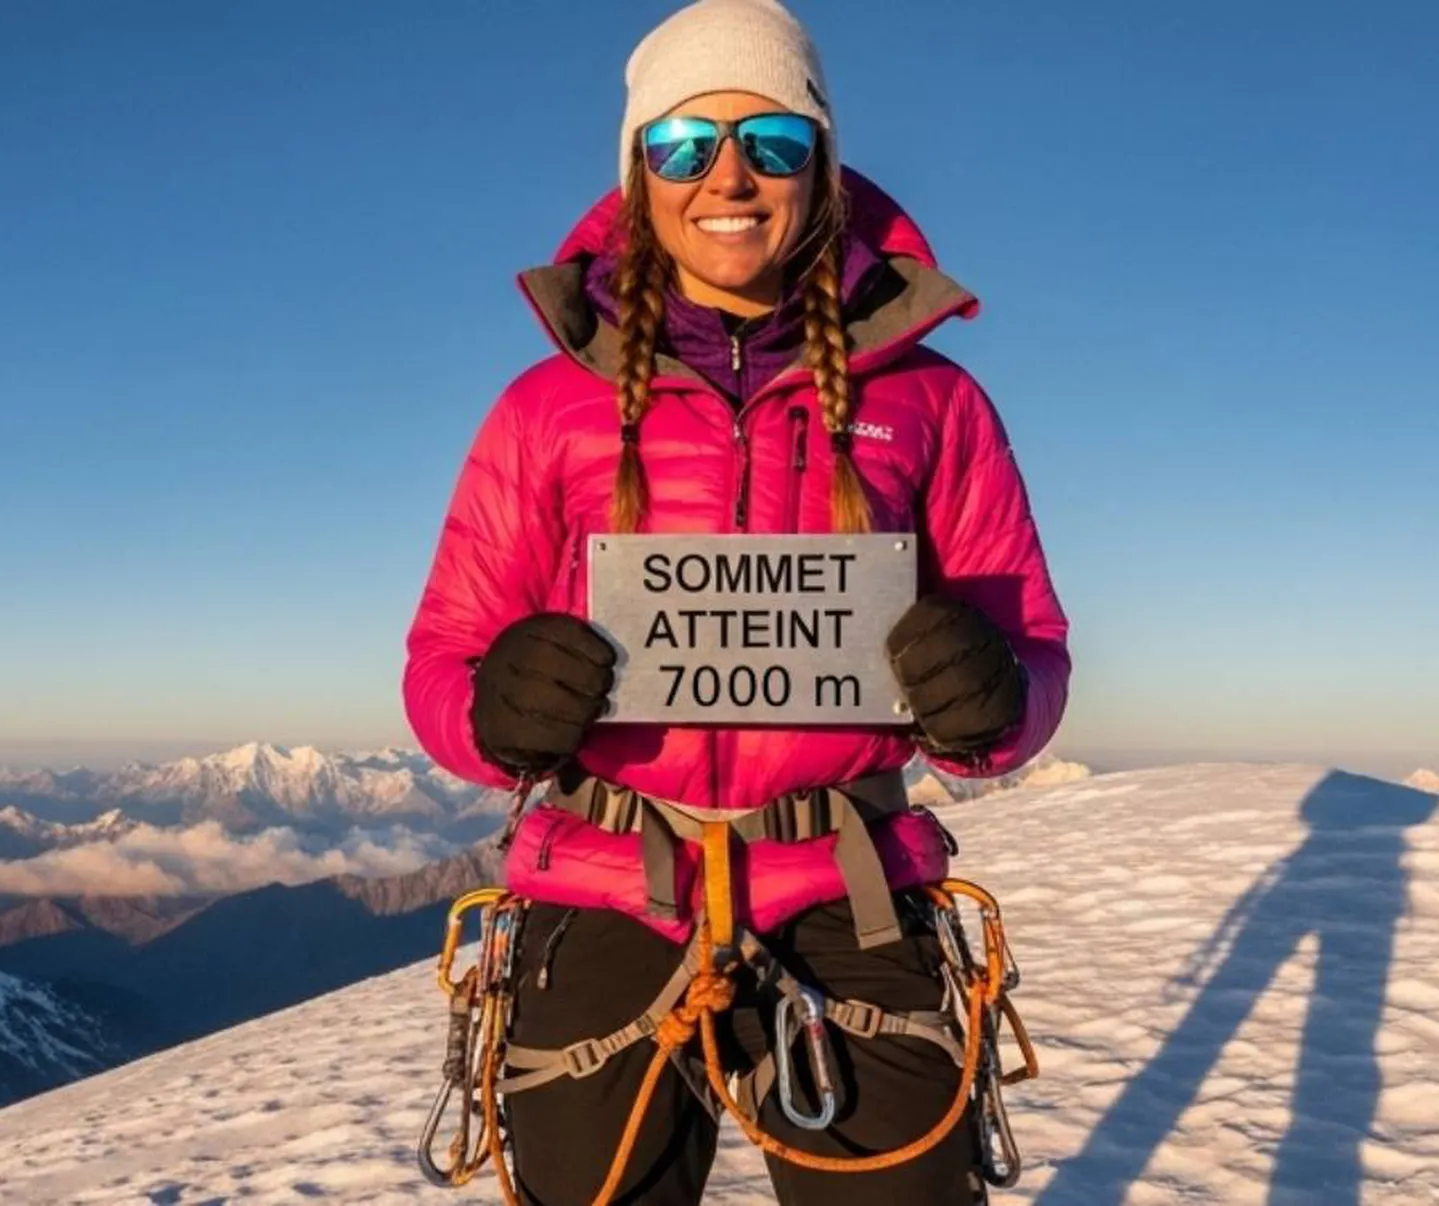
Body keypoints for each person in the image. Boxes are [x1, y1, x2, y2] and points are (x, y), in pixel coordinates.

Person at [402, 1, 1070, 1202]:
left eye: (768, 141)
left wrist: (992, 698)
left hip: (847, 891)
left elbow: (1028, 648)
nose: (728, 176)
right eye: (681, 146)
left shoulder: (933, 402)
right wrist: (493, 708)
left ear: (816, 166)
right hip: (606, 892)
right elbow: (444, 655)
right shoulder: (542, 409)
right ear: (636, 173)